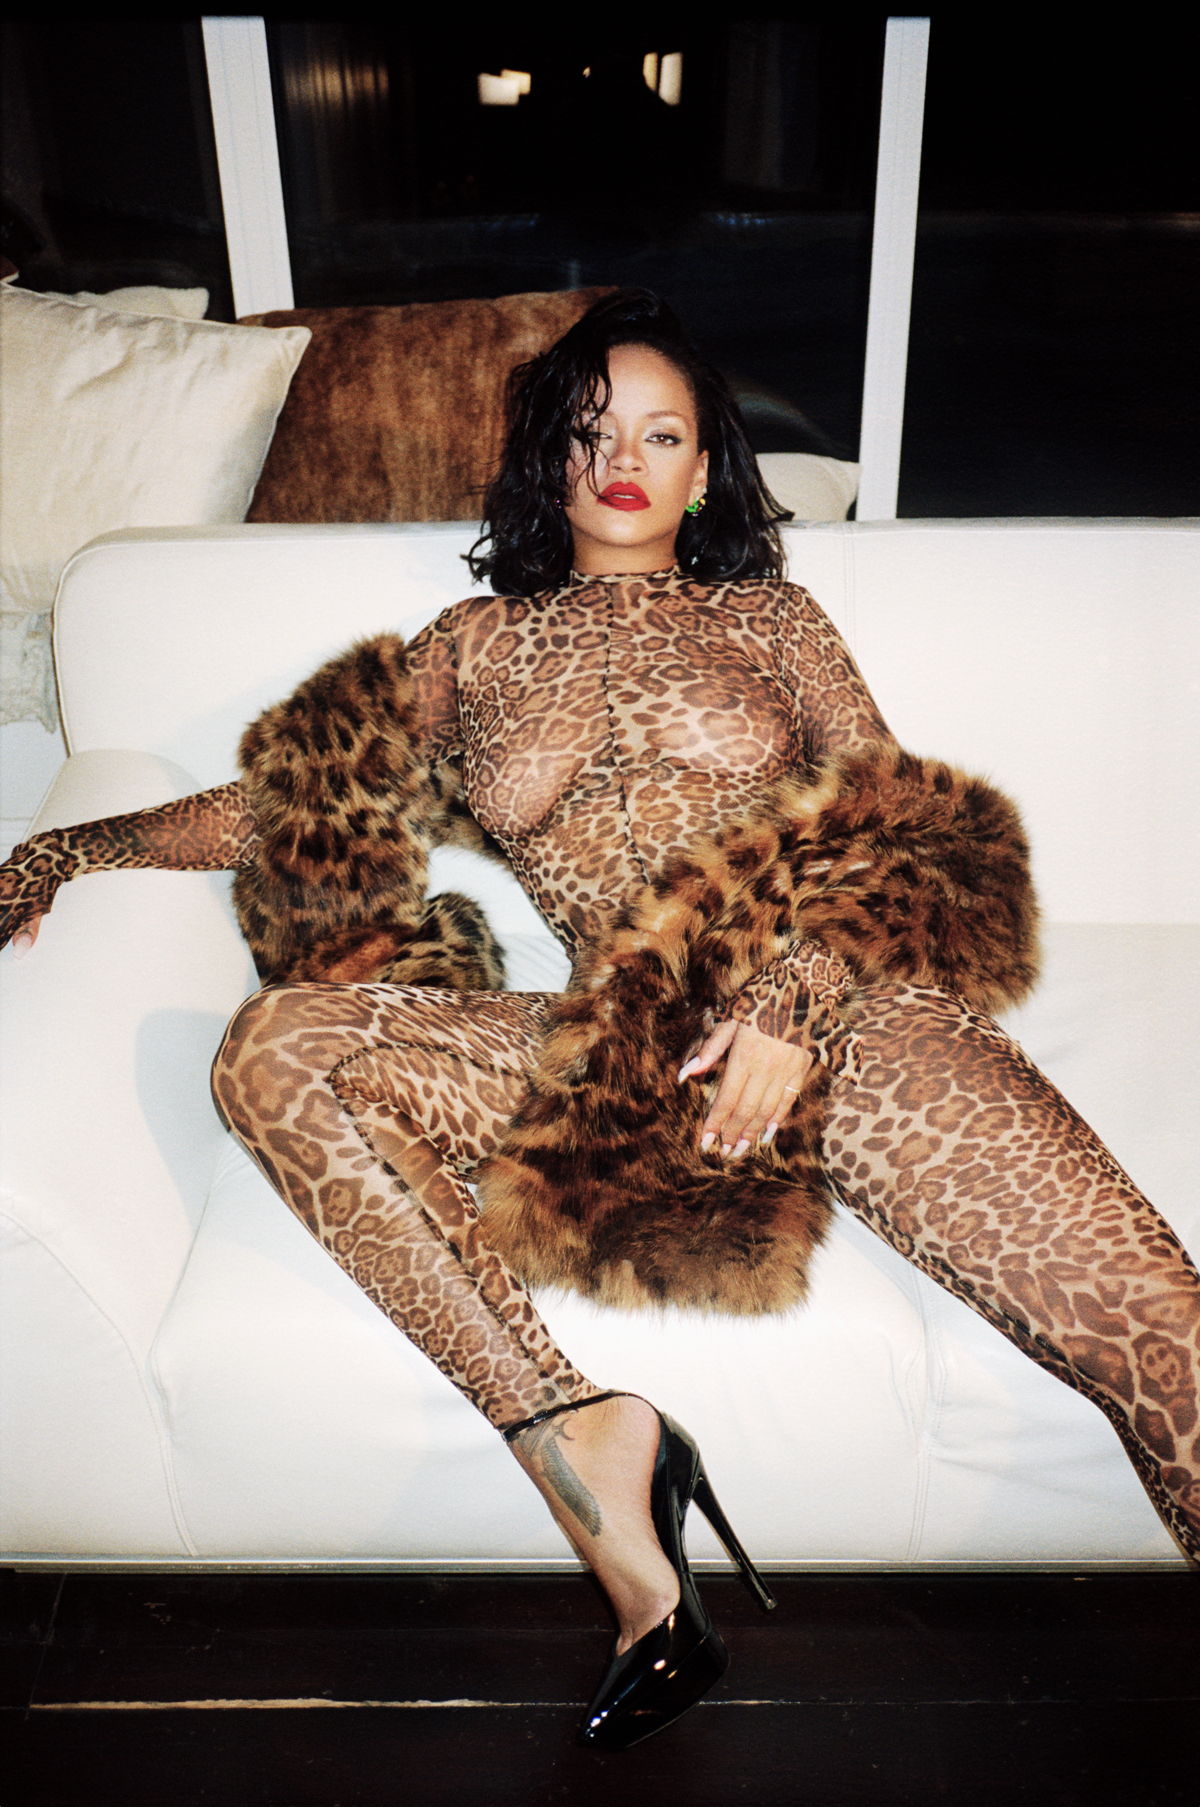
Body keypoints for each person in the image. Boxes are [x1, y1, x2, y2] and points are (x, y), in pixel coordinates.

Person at [2, 291, 1197, 1751]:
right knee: (280, 1047)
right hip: (626, 1054)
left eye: (660, 434)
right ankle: (585, 1450)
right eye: (587, 432)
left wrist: (799, 1000)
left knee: (1159, 1343)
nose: (621, 460)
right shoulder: (476, 644)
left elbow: (890, 822)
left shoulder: (770, 619)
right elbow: (296, 801)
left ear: (705, 468)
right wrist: (68, 846)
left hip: (851, 1019)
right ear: (546, 462)